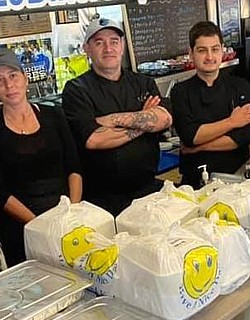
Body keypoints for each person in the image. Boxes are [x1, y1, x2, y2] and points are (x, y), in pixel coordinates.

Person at [0, 49, 83, 266]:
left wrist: (73, 212)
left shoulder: (54, 115)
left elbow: (74, 166)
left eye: (13, 76)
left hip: (66, 218)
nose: (9, 85)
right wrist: (39, 227)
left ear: (25, 78)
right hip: (22, 229)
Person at [62, 17, 172, 215]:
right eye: (99, 42)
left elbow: (164, 119)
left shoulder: (143, 82)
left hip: (149, 191)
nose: (108, 48)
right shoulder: (76, 90)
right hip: (102, 202)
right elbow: (94, 139)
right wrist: (144, 120)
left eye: (114, 41)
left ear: (122, 46)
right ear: (87, 48)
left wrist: (110, 120)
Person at [170, 21, 250, 188]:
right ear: (191, 53)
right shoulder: (180, 91)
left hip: (237, 177)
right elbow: (191, 136)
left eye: (215, 49)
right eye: (202, 50)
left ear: (222, 50)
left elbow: (243, 137)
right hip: (195, 182)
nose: (209, 57)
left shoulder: (240, 85)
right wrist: (232, 122)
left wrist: (198, 148)